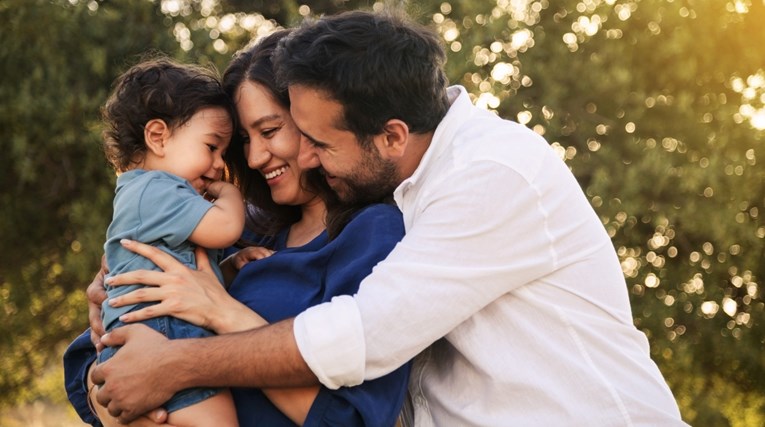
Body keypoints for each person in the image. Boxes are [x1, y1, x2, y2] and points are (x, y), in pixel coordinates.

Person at [87, 10, 689, 426]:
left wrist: (177, 361)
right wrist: (111, 303)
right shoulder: (383, 191)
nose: (306, 158)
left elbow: (362, 337)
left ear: (391, 135)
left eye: (313, 140)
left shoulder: (492, 174)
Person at [64, 30, 410, 427]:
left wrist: (218, 312)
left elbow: (352, 420)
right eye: (243, 139)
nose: (254, 156)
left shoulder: (373, 234)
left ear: (312, 120)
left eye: (269, 131)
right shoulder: (249, 230)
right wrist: (111, 388)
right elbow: (85, 366)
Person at [94, 57, 243, 427]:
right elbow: (225, 228)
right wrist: (230, 195)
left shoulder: (147, 194)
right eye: (212, 147)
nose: (218, 165)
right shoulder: (159, 188)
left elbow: (187, 271)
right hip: (163, 333)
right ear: (158, 137)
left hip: (150, 333)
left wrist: (230, 264)